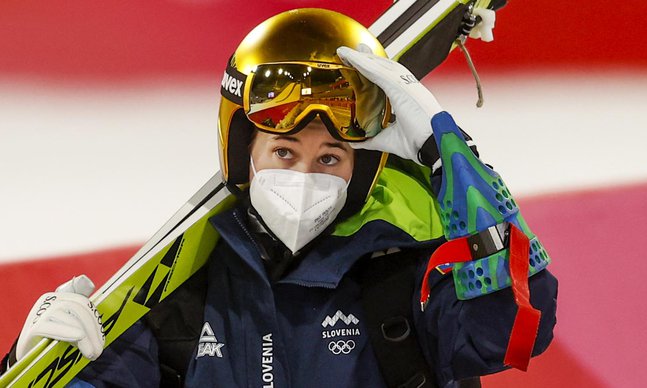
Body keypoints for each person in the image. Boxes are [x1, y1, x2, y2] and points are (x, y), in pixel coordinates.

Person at [3, 8, 558, 388]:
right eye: (286, 153)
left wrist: (448, 152)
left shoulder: (406, 282)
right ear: (245, 152)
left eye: (330, 159)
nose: (305, 178)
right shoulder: (181, 299)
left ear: (360, 170)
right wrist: (30, 365)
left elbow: (518, 326)